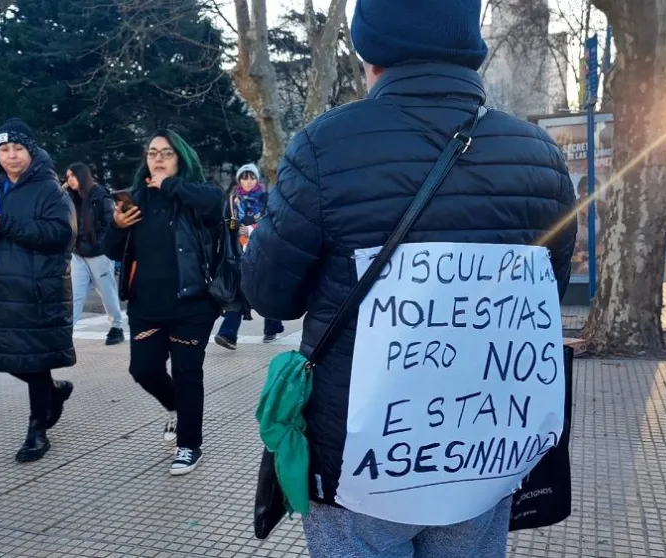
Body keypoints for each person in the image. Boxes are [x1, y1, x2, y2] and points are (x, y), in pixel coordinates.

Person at [241, 0, 577, 555]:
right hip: (483, 453)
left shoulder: (324, 146)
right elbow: (546, 295)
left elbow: (269, 294)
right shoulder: (539, 154)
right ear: (469, 45)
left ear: (371, 52)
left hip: (359, 462)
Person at [0, 118, 76, 462]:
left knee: (34, 362)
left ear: (31, 151)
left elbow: (60, 234)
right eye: (4, 149)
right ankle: (54, 391)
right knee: (3, 356)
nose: (11, 155)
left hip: (33, 290)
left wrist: (5, 224)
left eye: (18, 148)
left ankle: (37, 431)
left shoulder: (49, 188)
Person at [103, 130, 223, 475]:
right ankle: (175, 408)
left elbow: (215, 203)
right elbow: (112, 251)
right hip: (146, 305)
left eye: (167, 153)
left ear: (180, 159)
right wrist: (117, 225)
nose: (158, 158)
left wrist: (169, 185)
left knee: (187, 375)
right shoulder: (135, 198)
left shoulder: (195, 194)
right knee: (143, 369)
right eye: (152, 153)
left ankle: (189, 445)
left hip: (192, 304)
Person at [213, 163, 284, 349]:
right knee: (239, 291)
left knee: (265, 290)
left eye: (252, 177)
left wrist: (251, 229)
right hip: (237, 253)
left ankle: (272, 327)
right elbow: (224, 224)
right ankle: (228, 334)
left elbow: (273, 221)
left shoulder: (265, 199)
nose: (248, 181)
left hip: (262, 251)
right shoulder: (232, 201)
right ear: (239, 180)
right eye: (244, 177)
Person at [65, 162, 124, 345]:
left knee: (107, 292)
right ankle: (66, 331)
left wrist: (103, 245)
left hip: (99, 253)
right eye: (68, 176)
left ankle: (116, 326)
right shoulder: (70, 197)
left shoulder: (100, 195)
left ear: (82, 176)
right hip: (78, 254)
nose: (70, 180)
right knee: (75, 294)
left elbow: (110, 223)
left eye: (73, 176)